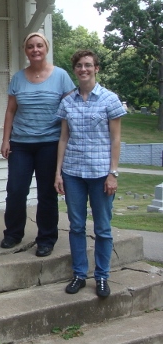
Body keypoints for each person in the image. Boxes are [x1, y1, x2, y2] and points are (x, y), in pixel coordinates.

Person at [55, 50, 125, 298]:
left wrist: (112, 173)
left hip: (100, 174)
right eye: (79, 66)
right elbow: (63, 138)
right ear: (74, 70)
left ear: (96, 68)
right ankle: (79, 274)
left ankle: (102, 276)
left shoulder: (109, 99)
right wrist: (58, 173)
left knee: (103, 228)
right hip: (73, 172)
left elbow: (116, 139)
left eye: (88, 65)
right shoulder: (68, 101)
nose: (83, 69)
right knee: (76, 226)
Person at [0, 32, 75, 257]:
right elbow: (11, 110)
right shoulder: (18, 78)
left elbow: (70, 111)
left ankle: (46, 238)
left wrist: (69, 142)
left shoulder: (61, 76)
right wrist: (6, 139)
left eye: (39, 46)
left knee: (46, 193)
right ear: (26, 50)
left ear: (46, 48)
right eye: (31, 46)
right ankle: (13, 233)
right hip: (21, 143)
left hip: (50, 144)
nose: (35, 50)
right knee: (15, 190)